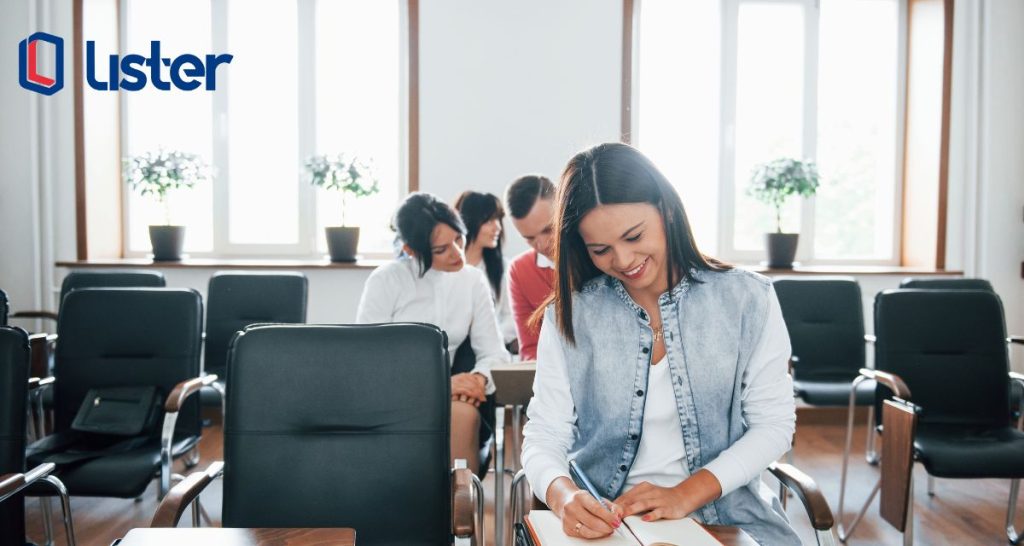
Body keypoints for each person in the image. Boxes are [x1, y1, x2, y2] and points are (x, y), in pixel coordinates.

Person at [521, 143, 798, 544]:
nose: (623, 260)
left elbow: (773, 426)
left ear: (666, 209)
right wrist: (564, 497)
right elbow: (545, 433)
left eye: (634, 236)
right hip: (609, 523)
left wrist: (686, 494)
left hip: (725, 515)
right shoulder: (570, 315)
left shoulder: (747, 299)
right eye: (601, 250)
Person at [357, 192, 510, 472]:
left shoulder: (473, 281)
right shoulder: (386, 281)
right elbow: (369, 364)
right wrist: (441, 387)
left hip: (453, 397)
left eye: (459, 238)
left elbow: (494, 352)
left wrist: (478, 379)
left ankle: (460, 513)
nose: (457, 253)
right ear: (411, 250)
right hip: (394, 394)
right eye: (441, 249)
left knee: (464, 414)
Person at [453, 191, 518, 348]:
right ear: (469, 222)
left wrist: (487, 339)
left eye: (498, 219)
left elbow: (511, 318)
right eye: (489, 221)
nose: (498, 227)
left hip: (490, 350)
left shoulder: (503, 268)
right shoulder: (447, 267)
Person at [504, 175, 557, 360]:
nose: (541, 245)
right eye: (529, 238)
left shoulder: (596, 253)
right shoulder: (520, 271)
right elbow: (531, 349)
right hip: (549, 379)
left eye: (548, 229)